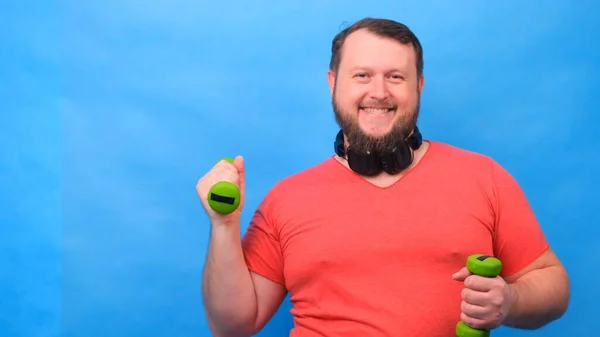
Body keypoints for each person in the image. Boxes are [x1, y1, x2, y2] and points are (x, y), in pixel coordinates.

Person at [197, 17, 570, 337]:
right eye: (362, 75)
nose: (378, 92)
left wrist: (509, 301)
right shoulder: (287, 197)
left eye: (395, 76)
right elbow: (232, 326)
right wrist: (224, 225)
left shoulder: (483, 176)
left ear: (419, 86)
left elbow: (553, 284)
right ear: (333, 83)